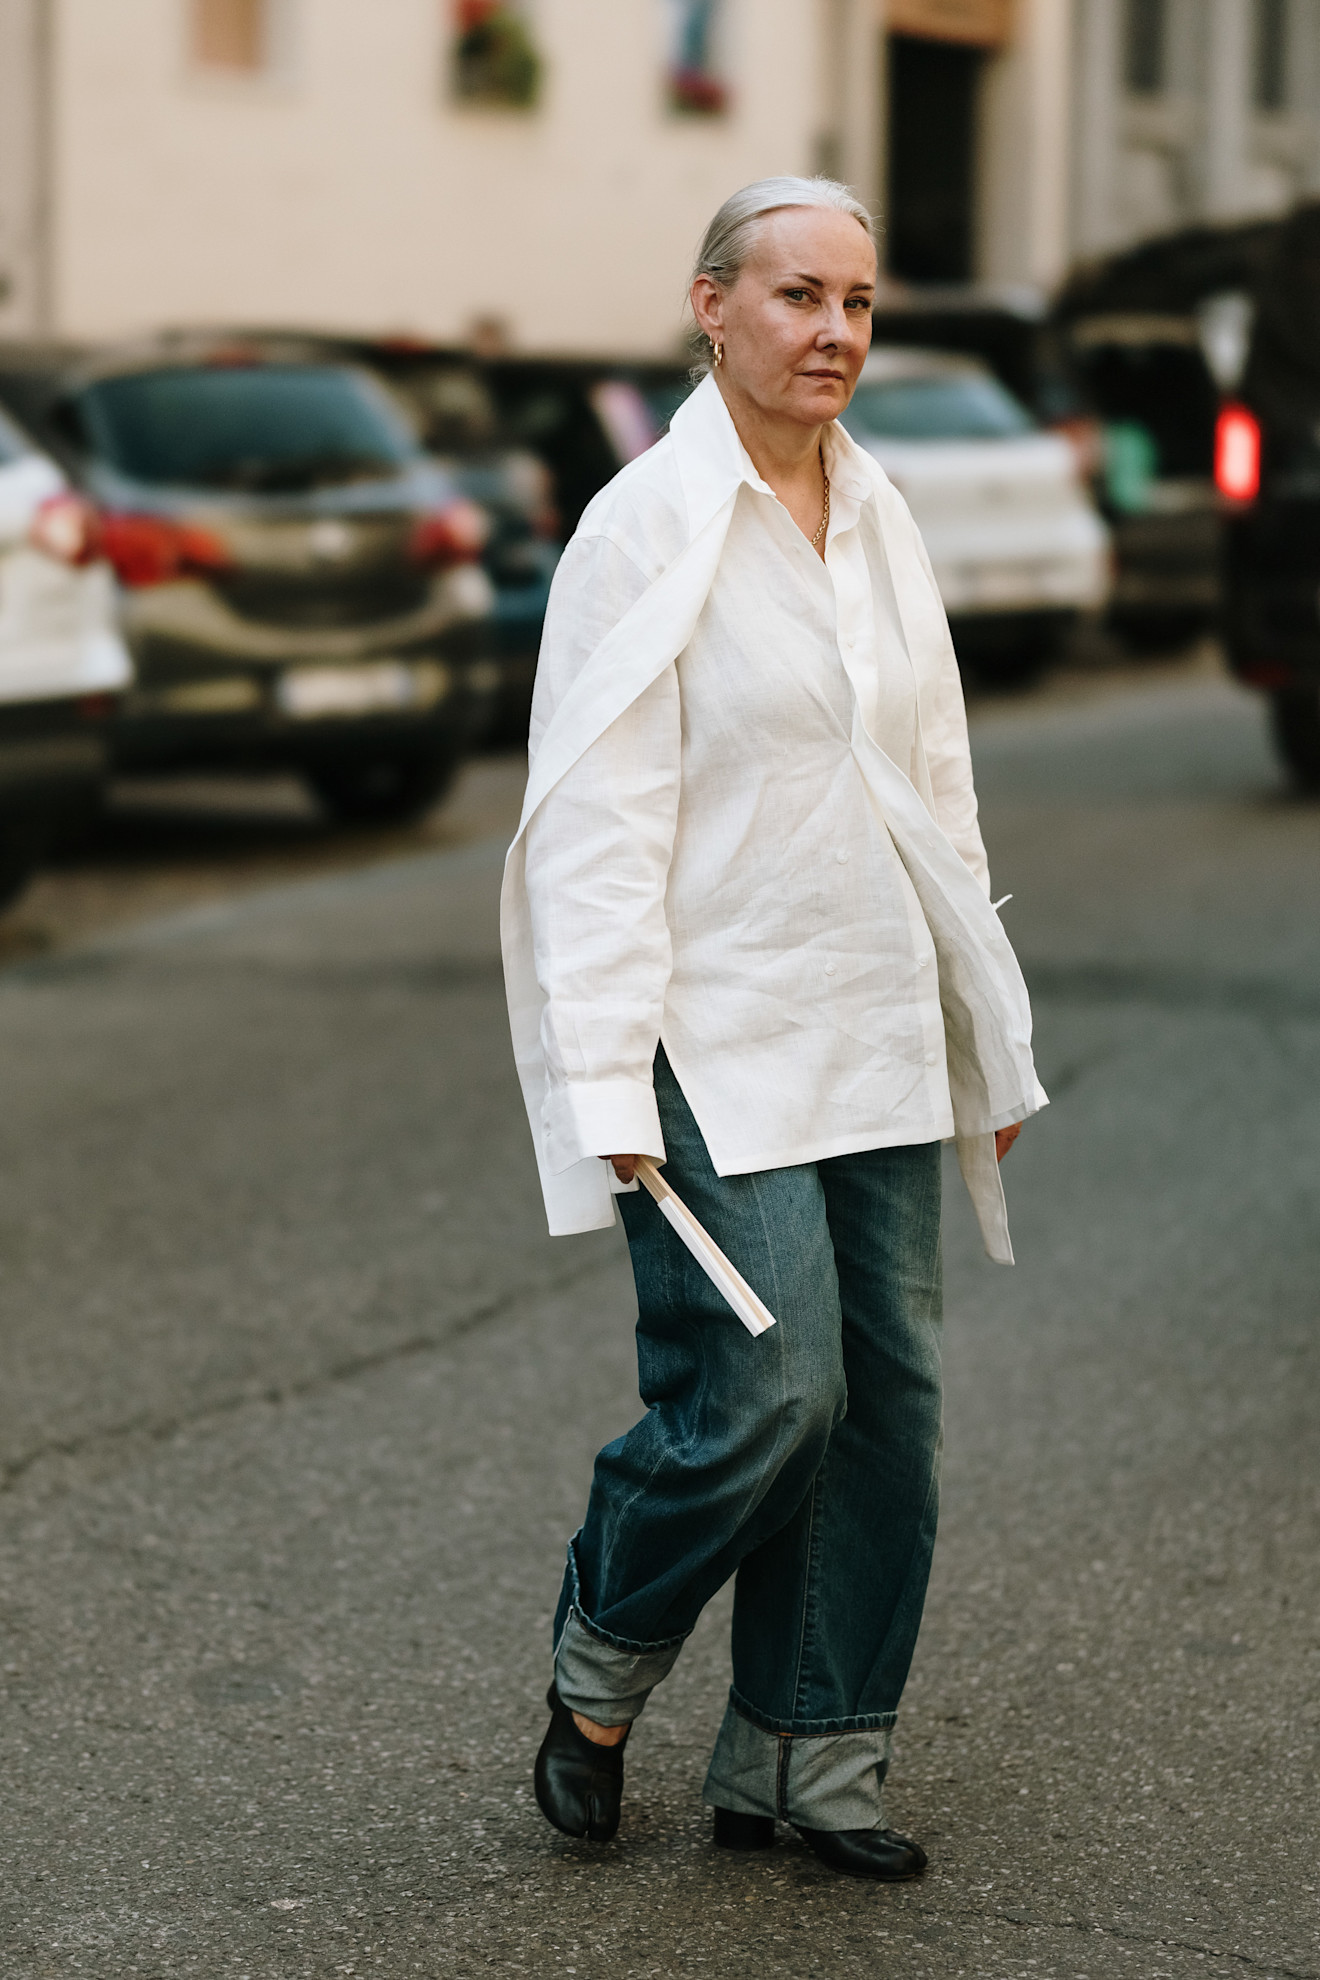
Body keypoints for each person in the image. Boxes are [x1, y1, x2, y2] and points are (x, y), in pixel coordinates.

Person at [500, 176, 1046, 1879]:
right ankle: (601, 1665)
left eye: (861, 304)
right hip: (708, 1024)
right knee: (767, 1393)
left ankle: (810, 1761)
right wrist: (603, 1069)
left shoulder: (879, 515)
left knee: (887, 1408)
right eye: (798, 295)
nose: (834, 332)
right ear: (711, 307)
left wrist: (982, 1026)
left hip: (872, 1009)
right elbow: (594, 817)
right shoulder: (644, 528)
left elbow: (934, 778)